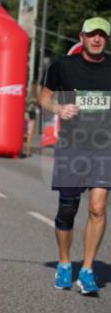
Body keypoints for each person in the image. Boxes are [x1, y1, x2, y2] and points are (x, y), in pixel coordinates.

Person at [38, 16, 110, 294]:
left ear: (107, 39)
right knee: (68, 209)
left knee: (97, 207)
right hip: (72, 146)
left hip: (105, 146)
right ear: (81, 37)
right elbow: (43, 96)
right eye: (91, 34)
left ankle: (88, 270)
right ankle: (65, 263)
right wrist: (57, 109)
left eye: (102, 35)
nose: (96, 39)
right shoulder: (63, 66)